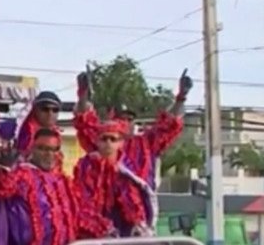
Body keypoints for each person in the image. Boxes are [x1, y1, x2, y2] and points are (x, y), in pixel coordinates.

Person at [73, 69, 192, 232]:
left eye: (130, 119)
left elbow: (170, 124)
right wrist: (83, 96)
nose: (126, 122)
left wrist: (181, 98)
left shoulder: (146, 143)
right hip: (101, 222)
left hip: (139, 222)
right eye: (121, 118)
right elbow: (84, 120)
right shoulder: (101, 140)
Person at [14, 91, 62, 158]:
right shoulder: (26, 132)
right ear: (35, 110)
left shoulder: (56, 133)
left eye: (55, 110)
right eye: (45, 109)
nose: (50, 114)